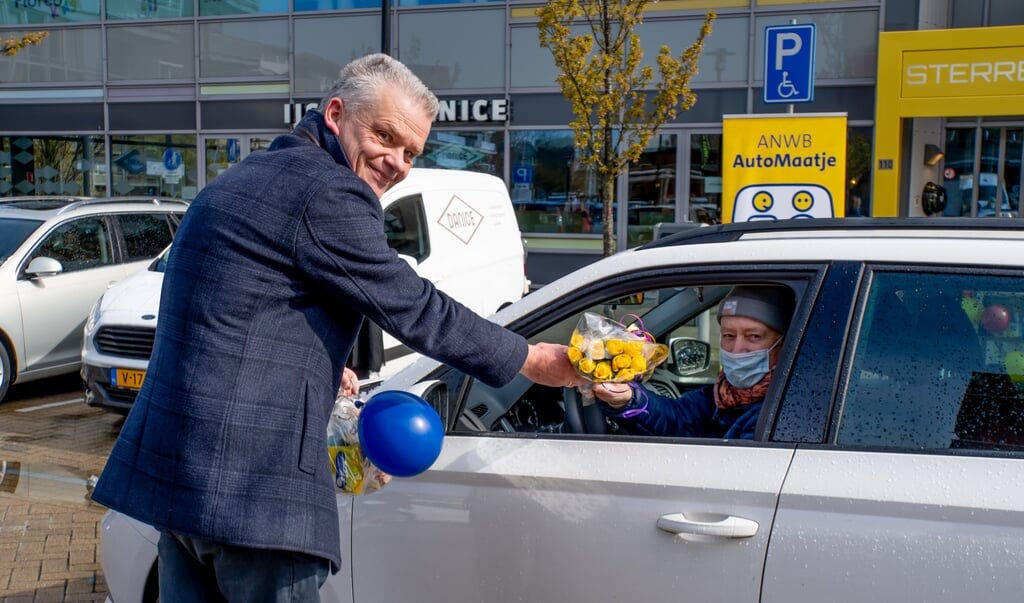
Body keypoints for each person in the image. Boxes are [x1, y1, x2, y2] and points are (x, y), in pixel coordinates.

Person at [90, 53, 576, 602]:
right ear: (336, 113)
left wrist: (321, 364)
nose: (396, 161)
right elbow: (414, 306)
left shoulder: (242, 177)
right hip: (255, 496)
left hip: (178, 481)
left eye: (411, 151)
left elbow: (233, 312)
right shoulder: (328, 191)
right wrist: (532, 361)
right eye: (385, 136)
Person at [592, 285, 795, 440]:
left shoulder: (784, 409)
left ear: (783, 343)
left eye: (754, 337)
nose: (736, 349)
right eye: (729, 335)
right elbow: (678, 417)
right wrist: (628, 398)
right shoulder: (723, 395)